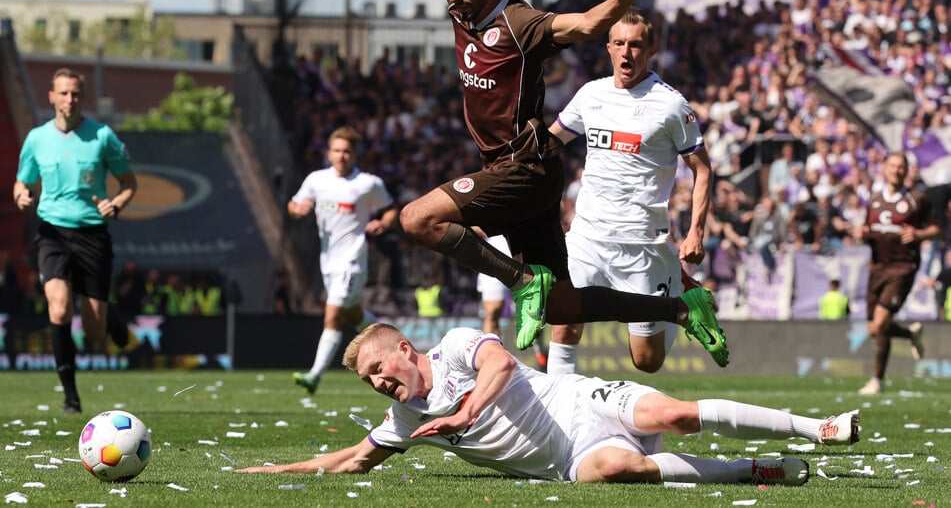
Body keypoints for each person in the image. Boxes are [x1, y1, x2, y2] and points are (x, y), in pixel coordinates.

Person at [331, 0, 727, 365]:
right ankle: (682, 309)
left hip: (523, 168)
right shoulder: (461, 2)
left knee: (418, 218)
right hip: (523, 171)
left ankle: (522, 283)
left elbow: (583, 25)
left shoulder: (521, 24)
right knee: (563, 306)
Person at [236, 323, 860, 485]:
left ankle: (819, 426)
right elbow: (353, 460)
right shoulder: (405, 416)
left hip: (580, 402)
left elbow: (502, 364)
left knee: (674, 414)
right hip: (573, 456)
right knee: (614, 471)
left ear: (403, 348)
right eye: (368, 380)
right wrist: (279, 470)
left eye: (378, 369)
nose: (378, 383)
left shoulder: (454, 347)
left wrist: (462, 415)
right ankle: (762, 471)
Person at [545, 11, 721, 374]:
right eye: (620, 44)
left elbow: (702, 169)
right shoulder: (591, 94)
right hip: (587, 237)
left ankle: (685, 301)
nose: (627, 53)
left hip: (641, 245)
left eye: (636, 44)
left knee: (647, 362)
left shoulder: (671, 105)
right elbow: (549, 143)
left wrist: (695, 232)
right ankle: (558, 423)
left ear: (652, 49)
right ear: (609, 48)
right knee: (563, 319)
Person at [12, 67, 136, 414]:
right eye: (63, 93)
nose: (70, 99)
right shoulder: (37, 139)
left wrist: (117, 203)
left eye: (75, 94)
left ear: (83, 97)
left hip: (93, 234)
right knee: (60, 307)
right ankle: (70, 396)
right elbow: (22, 183)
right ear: (51, 97)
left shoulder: (103, 137)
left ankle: (107, 315)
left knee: (95, 331)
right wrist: (22, 195)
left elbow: (129, 184)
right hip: (51, 232)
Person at [289, 126, 398, 395]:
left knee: (333, 316)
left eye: (347, 151)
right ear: (329, 153)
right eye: (337, 150)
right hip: (328, 262)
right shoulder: (317, 180)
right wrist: (298, 210)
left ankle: (314, 376)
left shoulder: (367, 183)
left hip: (353, 261)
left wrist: (382, 223)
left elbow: (391, 209)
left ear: (355, 154)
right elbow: (294, 204)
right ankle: (395, 341)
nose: (341, 156)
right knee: (354, 316)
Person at [853, 152, 939, 395]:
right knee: (874, 329)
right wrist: (861, 233)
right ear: (884, 168)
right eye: (893, 165)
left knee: (881, 322)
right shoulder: (874, 199)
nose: (897, 170)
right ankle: (910, 333)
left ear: (907, 171)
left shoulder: (917, 199)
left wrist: (919, 234)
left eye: (901, 167)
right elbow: (869, 230)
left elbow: (936, 229)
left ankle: (877, 381)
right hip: (877, 267)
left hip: (903, 267)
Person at [476, 232, 548, 369]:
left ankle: (541, 349)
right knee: (492, 312)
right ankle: (493, 361)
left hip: (522, 251)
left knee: (534, 311)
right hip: (493, 253)